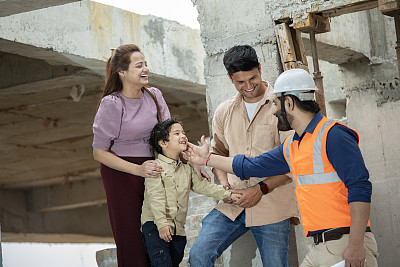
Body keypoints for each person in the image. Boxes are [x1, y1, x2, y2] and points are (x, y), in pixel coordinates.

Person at [188, 68, 379, 267]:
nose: (272, 111)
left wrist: (356, 245)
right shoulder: (293, 145)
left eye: (275, 104)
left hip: (345, 244)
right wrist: (207, 158)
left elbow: (360, 188)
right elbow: (252, 165)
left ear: (289, 103)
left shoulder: (334, 135)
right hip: (319, 247)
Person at [92, 44, 209, 267]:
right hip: (121, 174)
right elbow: (99, 152)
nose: (145, 69)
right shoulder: (112, 104)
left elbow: (173, 135)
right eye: (139, 66)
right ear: (122, 72)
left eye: (145, 64)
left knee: (159, 237)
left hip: (155, 170)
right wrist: (137, 169)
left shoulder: (154, 96)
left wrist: (192, 160)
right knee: (132, 240)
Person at [189, 45, 299, 267]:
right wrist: (224, 186)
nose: (249, 86)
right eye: (241, 82)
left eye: (253, 78)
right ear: (230, 79)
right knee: (199, 255)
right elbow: (218, 152)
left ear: (260, 68)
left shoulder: (283, 106)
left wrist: (260, 189)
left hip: (272, 204)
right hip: (233, 205)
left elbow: (293, 161)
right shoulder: (223, 111)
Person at [141, 118, 232, 267]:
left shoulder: (187, 169)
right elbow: (155, 197)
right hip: (156, 226)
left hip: (178, 230)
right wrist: (162, 224)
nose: (183, 136)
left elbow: (205, 187)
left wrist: (228, 194)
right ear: (163, 143)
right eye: (177, 133)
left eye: (183, 133)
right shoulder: (155, 167)